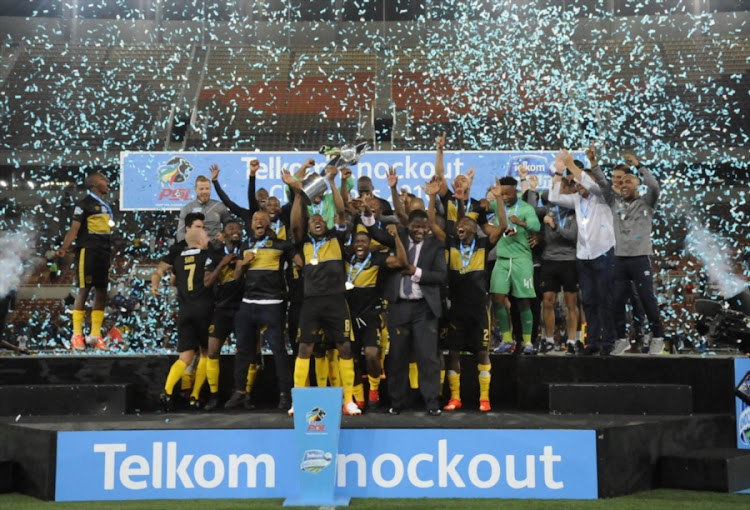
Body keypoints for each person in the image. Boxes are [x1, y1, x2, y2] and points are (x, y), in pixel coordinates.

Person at [286, 165, 362, 417]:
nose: (317, 221)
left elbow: (340, 211)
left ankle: (348, 400)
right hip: (311, 303)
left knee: (344, 348)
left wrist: (331, 182)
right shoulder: (304, 242)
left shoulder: (336, 238)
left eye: (320, 219)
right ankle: (298, 400)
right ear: (308, 228)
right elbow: (295, 221)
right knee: (305, 348)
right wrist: (298, 194)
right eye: (313, 220)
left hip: (337, 302)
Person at [426, 178, 506, 412]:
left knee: (482, 352)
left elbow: (501, 227)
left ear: (473, 228)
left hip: (479, 309)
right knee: (453, 353)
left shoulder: (483, 243)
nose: (460, 226)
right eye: (458, 224)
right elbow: (431, 222)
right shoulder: (450, 242)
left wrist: (499, 198)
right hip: (456, 308)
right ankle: (455, 398)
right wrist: (431, 197)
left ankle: (484, 398)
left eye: (465, 224)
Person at [365, 208, 448, 416]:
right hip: (398, 306)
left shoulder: (436, 246)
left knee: (427, 357)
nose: (420, 230)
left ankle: (431, 402)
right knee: (397, 356)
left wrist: (415, 272)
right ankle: (397, 402)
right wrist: (367, 213)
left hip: (424, 308)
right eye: (416, 227)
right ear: (407, 227)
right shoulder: (397, 237)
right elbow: (375, 233)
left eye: (423, 227)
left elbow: (441, 276)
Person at [589, 150, 666, 356]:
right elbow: (604, 184)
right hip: (620, 259)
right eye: (621, 182)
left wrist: (639, 165)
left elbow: (655, 186)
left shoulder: (647, 203)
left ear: (637, 185)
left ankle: (658, 337)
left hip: (641, 259)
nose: (623, 185)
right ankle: (621, 339)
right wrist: (594, 163)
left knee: (646, 298)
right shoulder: (615, 203)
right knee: (616, 301)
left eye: (628, 182)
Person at [226, 211, 300, 411]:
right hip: (248, 303)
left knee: (278, 351)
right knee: (243, 351)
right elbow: (236, 276)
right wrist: (243, 263)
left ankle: (285, 395)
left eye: (262, 219)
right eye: (254, 220)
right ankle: (240, 392)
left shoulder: (282, 245)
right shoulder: (245, 245)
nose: (258, 222)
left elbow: (300, 263)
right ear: (251, 226)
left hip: (272, 303)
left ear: (269, 223)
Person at [548, 149, 616, 355]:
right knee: (588, 301)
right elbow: (553, 196)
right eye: (577, 183)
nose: (579, 185)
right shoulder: (577, 201)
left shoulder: (603, 198)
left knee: (605, 300)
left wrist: (571, 165)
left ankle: (608, 342)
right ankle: (593, 342)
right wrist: (559, 174)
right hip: (583, 256)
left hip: (603, 253)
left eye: (582, 182)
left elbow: (592, 183)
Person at [151, 226, 214, 412]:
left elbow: (172, 280)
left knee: (184, 357)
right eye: (207, 236)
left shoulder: (178, 258)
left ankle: (167, 391)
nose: (209, 239)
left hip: (185, 310)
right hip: (204, 308)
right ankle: (195, 396)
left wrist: (156, 285)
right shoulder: (207, 256)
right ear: (200, 241)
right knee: (204, 353)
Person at [190, 219, 244, 410]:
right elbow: (207, 282)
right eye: (231, 228)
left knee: (246, 353)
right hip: (221, 308)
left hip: (242, 308)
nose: (235, 230)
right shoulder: (215, 254)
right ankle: (214, 395)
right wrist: (223, 263)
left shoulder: (247, 250)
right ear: (224, 233)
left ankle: (244, 393)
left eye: (238, 228)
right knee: (212, 351)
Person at [56, 172, 113, 351]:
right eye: (104, 179)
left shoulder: (105, 206)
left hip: (104, 252)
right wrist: (64, 247)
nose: (108, 181)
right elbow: (74, 228)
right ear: (94, 185)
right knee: (84, 290)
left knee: (102, 291)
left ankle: (95, 334)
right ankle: (77, 334)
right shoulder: (83, 204)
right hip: (88, 251)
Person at [490, 176, 542, 355]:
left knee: (523, 301)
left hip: (522, 259)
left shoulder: (526, 208)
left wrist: (521, 223)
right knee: (497, 299)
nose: (504, 197)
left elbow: (535, 225)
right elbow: (480, 206)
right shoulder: (497, 205)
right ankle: (507, 339)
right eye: (502, 193)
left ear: (516, 191)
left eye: (508, 193)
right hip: (502, 259)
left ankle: (528, 342)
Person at [538, 174, 580, 354]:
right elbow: (532, 207)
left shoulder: (576, 210)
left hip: (569, 260)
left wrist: (555, 227)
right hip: (549, 260)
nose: (564, 188)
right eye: (562, 185)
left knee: (571, 302)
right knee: (547, 301)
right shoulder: (547, 208)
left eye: (566, 186)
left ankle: (571, 340)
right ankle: (548, 339)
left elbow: (573, 237)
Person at [176, 175, 231, 243]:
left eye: (207, 188)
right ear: (195, 189)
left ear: (210, 189)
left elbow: (230, 226)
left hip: (217, 248)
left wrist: (223, 234)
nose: (204, 192)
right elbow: (180, 233)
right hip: (195, 248)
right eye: (201, 189)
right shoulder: (187, 208)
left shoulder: (219, 206)